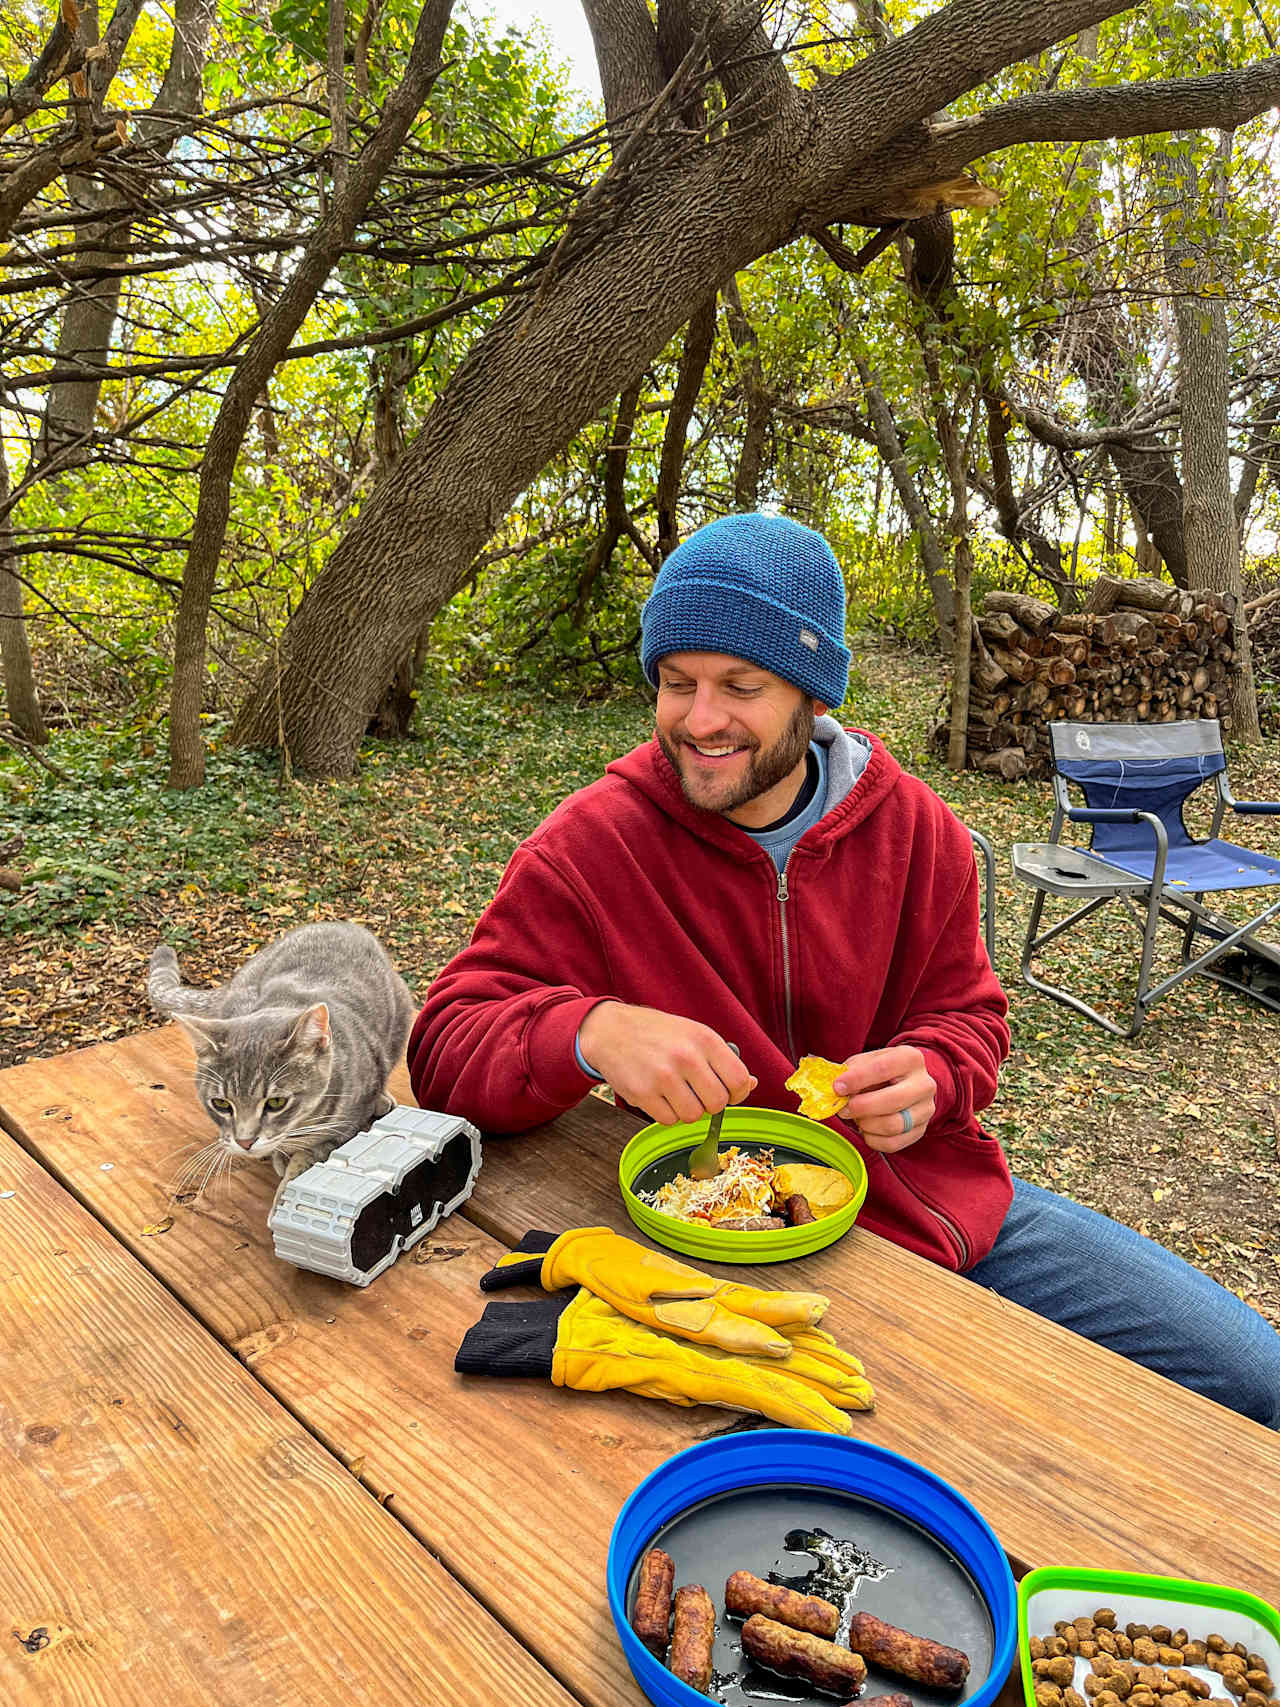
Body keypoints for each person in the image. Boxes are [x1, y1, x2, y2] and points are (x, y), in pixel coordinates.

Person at [408, 511, 1280, 1428]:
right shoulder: (591, 846)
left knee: (1256, 1376)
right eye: (676, 683)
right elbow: (446, 1050)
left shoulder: (920, 833)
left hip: (935, 1210)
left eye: (740, 685)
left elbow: (971, 1017)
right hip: (716, 1249)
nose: (700, 720)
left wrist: (936, 1076)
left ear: (815, 696)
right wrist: (587, 1032)